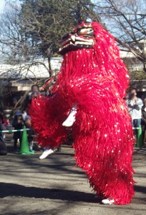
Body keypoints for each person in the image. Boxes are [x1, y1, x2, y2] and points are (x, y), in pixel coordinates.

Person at [29, 22, 135, 205]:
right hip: (87, 124)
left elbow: (111, 89)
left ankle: (117, 192)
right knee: (93, 156)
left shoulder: (103, 77)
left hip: (109, 122)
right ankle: (103, 189)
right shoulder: (73, 80)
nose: (73, 58)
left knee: (107, 156)